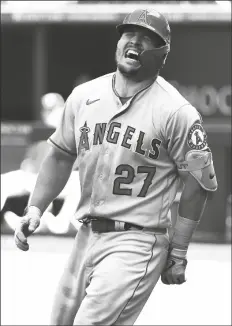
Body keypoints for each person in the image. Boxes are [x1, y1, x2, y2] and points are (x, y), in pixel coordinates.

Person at [14, 8, 218, 326]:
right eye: (129, 34)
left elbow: (198, 184)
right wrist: (36, 208)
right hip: (86, 233)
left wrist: (178, 251)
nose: (135, 42)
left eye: (147, 39)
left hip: (138, 240)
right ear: (119, 42)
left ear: (163, 54)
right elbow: (59, 154)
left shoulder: (179, 112)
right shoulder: (84, 96)